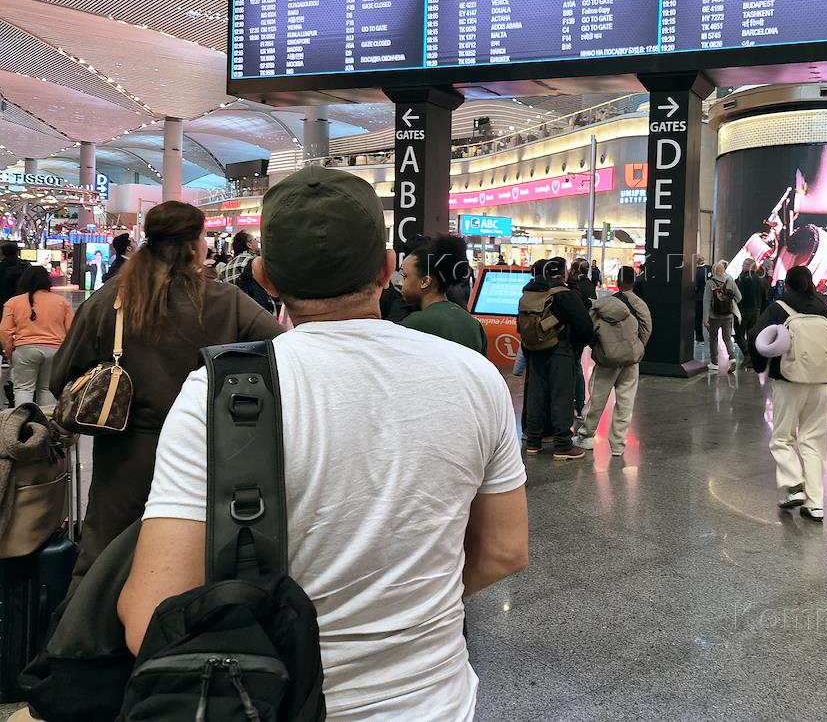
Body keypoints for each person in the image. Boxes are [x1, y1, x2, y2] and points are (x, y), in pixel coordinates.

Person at [118, 167, 529, 719]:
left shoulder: (219, 391)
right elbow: (504, 551)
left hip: (274, 701)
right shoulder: (475, 376)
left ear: (266, 279)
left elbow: (151, 614)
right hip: (437, 699)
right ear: (386, 269)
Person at [50, 201, 283, 588]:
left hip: (124, 459)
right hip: (207, 455)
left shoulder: (111, 301)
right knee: (194, 567)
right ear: (194, 245)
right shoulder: (225, 301)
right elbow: (283, 352)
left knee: (102, 568)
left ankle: (87, 625)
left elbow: (61, 375)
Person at [749, 266, 827, 522]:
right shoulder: (823, 309)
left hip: (788, 381)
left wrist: (760, 366)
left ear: (787, 284)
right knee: (814, 442)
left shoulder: (779, 308)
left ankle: (794, 485)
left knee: (782, 438)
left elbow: (755, 335)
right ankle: (815, 504)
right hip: (821, 383)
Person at [573, 266, 652, 458]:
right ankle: (618, 445)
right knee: (625, 403)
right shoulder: (640, 304)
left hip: (607, 360)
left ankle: (586, 436)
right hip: (630, 361)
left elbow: (591, 329)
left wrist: (600, 348)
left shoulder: (604, 304)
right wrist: (636, 348)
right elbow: (646, 328)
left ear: (617, 282)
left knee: (597, 399)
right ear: (634, 281)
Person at [520, 257, 593, 459]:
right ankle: (562, 445)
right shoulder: (564, 295)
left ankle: (533, 441)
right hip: (560, 351)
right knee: (561, 396)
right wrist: (576, 347)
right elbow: (585, 326)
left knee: (536, 395)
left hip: (534, 350)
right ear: (562, 273)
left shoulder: (529, 293)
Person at [399, 235, 487, 356]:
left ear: (425, 281)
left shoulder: (414, 324)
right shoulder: (473, 325)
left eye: (404, 276)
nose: (400, 283)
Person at [0, 266, 73, 407]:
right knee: (46, 389)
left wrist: (9, 351)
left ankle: (24, 418)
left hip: (24, 350)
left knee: (24, 389)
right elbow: (71, 330)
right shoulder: (62, 302)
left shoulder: (13, 302)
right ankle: (44, 420)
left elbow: (5, 331)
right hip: (55, 351)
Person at [566, 260, 597, 418]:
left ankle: (578, 404)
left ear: (574, 270)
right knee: (576, 366)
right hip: (583, 332)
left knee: (575, 367)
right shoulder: (590, 286)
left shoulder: (574, 288)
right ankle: (579, 404)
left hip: (573, 333)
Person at [703, 260, 742, 372]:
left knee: (713, 338)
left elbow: (706, 302)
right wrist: (729, 304)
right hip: (728, 316)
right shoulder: (730, 281)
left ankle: (714, 363)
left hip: (714, 316)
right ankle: (732, 358)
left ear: (713, 271)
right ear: (724, 270)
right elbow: (739, 297)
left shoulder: (710, 283)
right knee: (727, 338)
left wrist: (705, 319)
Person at [735, 257, 767, 371]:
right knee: (751, 335)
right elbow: (764, 297)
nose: (742, 266)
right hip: (756, 311)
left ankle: (747, 354)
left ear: (749, 266)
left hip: (744, 310)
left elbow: (738, 295)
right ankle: (752, 360)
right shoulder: (759, 279)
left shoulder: (743, 278)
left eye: (744, 264)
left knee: (738, 334)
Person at [0, 243, 30, 308]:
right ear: (17, 252)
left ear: (2, 253)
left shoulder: (1, 266)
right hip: (22, 299)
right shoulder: (26, 266)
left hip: (4, 300)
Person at [692, 256, 711, 345]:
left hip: (699, 297)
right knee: (709, 317)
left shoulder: (694, 271)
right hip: (709, 296)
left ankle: (699, 338)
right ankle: (712, 335)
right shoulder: (709, 268)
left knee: (698, 318)